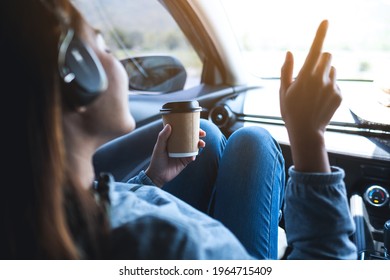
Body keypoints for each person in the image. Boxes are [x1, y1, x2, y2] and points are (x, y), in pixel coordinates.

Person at [0, 0, 357, 259]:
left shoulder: (34, 209)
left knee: (219, 136)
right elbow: (327, 259)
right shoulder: (177, 247)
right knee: (256, 141)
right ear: (79, 79)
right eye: (105, 47)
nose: (121, 62)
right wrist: (310, 139)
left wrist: (151, 180)